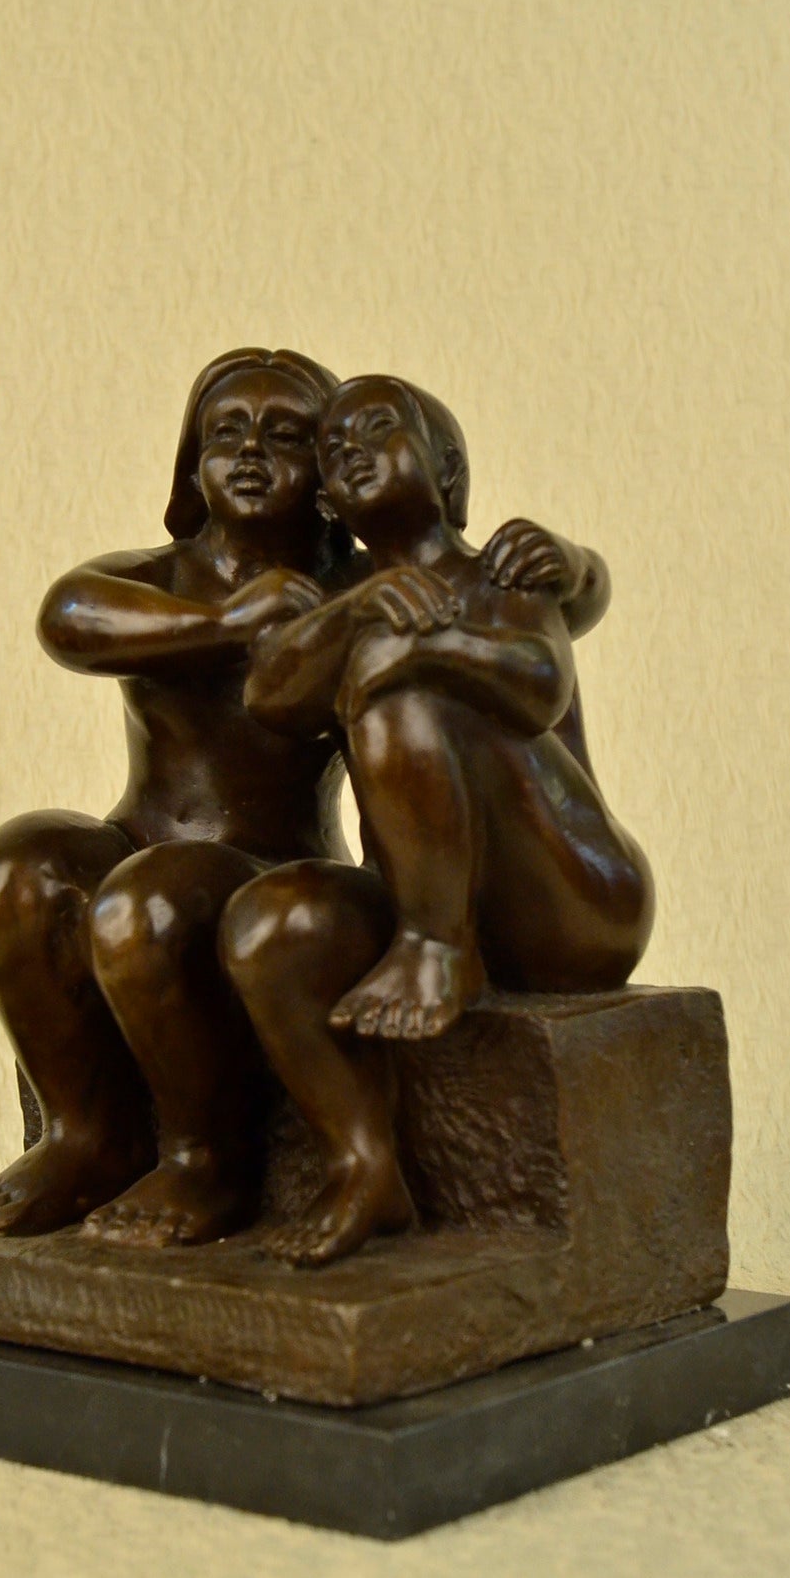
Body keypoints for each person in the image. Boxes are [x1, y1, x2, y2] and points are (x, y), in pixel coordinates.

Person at [219, 375, 654, 1265]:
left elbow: (537, 684)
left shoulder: (500, 568)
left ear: (447, 470)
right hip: (420, 890)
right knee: (269, 927)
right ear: (329, 503)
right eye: (333, 447)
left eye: (378, 428)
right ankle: (364, 1165)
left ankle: (437, 946)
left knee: (398, 663)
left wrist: (421, 646)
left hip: (575, 900)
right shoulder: (347, 600)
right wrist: (359, 610)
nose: (349, 450)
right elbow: (270, 694)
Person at [0, 348, 353, 1237]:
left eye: (286, 435)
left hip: (269, 867)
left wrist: (571, 569)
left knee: (144, 908)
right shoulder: (161, 578)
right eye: (226, 433)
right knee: (7, 878)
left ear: (332, 473)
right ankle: (88, 1135)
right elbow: (68, 615)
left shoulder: (353, 592)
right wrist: (224, 623)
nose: (251, 452)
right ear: (191, 464)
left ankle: (206, 1163)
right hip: (136, 837)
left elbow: (490, 611)